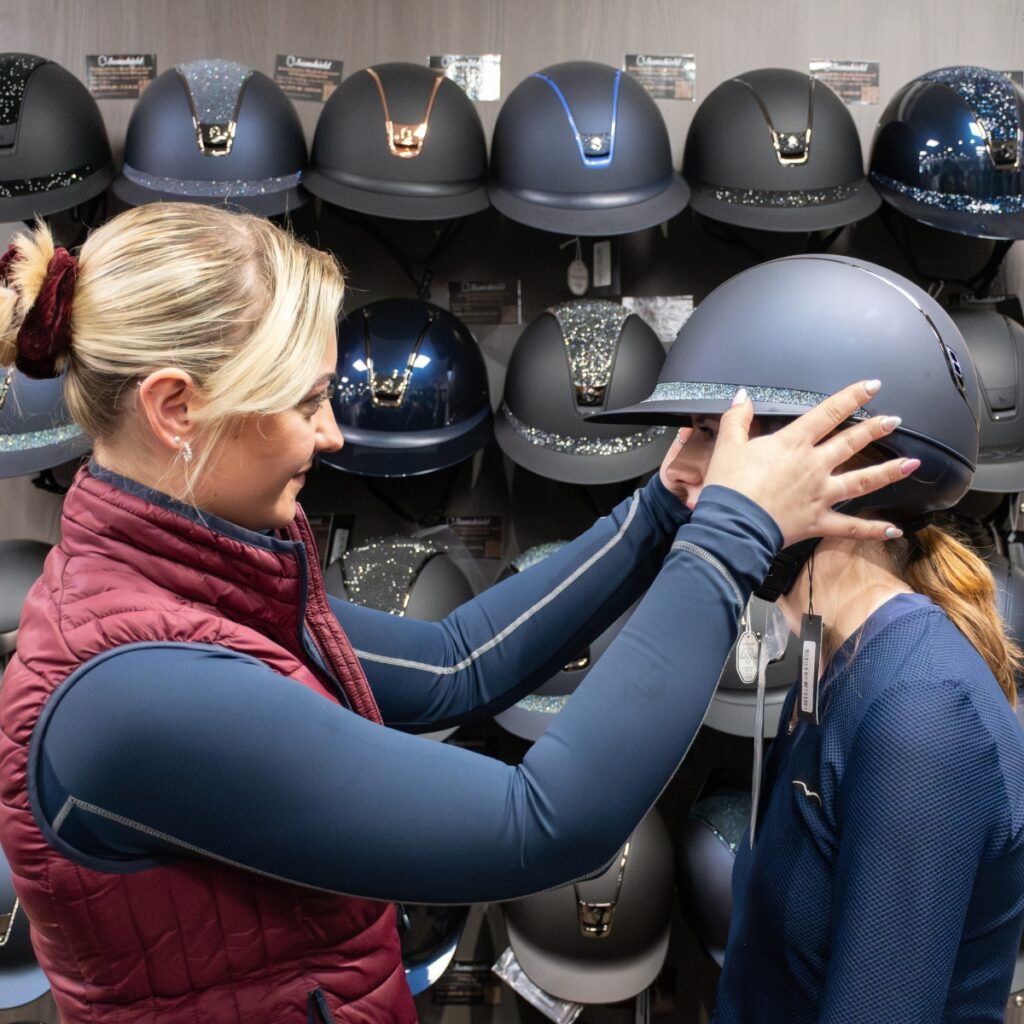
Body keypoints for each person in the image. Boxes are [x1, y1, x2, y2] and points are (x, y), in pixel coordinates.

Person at [0, 204, 906, 1024]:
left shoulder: (189, 587)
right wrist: (728, 538)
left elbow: (452, 666)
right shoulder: (136, 689)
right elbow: (542, 824)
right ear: (175, 409)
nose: (332, 434)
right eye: (306, 401)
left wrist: (665, 508)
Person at [599, 254, 1024, 1023]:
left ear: (833, 456)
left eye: (711, 436)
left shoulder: (920, 713)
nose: (679, 471)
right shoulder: (836, 660)